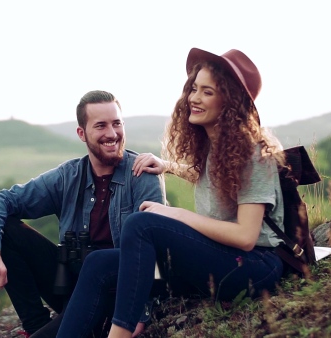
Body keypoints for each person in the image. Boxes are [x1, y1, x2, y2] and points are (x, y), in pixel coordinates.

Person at [57, 47, 286, 338]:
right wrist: (167, 165)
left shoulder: (254, 153)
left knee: (142, 224)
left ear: (229, 102)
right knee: (98, 263)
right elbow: (208, 177)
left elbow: (245, 236)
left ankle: (119, 334)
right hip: (221, 257)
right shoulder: (216, 149)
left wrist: (177, 214)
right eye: (194, 89)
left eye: (207, 92)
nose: (194, 98)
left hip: (254, 266)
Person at [0, 90, 166, 337]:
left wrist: (138, 313)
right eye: (100, 126)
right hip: (71, 284)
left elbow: (151, 251)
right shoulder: (69, 176)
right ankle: (36, 325)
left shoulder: (142, 173)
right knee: (7, 231)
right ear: (82, 133)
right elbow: (0, 201)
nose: (112, 133)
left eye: (117, 123)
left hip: (116, 292)